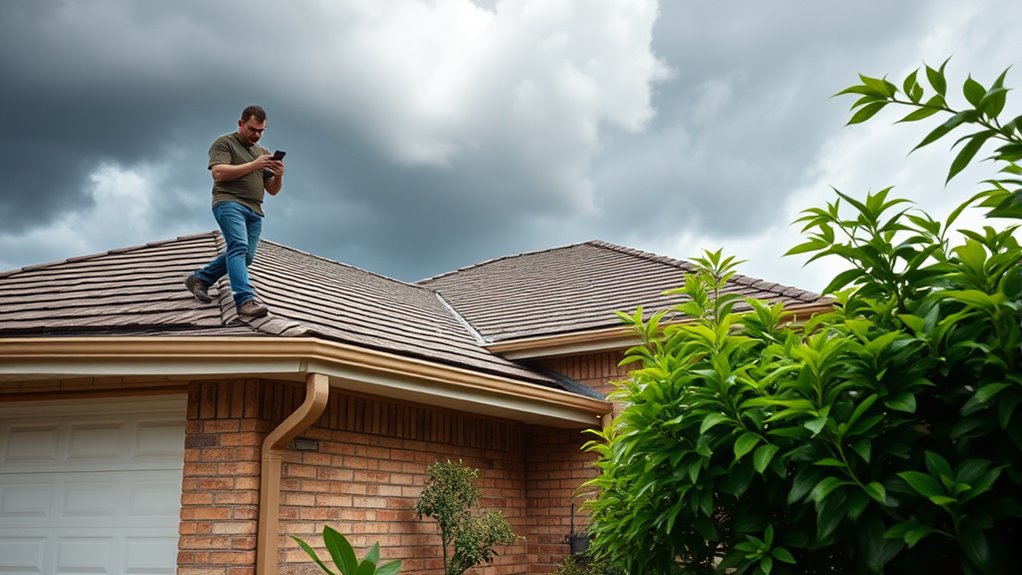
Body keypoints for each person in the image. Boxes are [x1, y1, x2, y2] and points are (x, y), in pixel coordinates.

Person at [183, 105, 284, 319]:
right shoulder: (224, 143)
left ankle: (200, 278)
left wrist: (279, 175)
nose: (257, 135)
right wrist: (254, 164)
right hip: (229, 203)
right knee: (238, 246)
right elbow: (219, 173)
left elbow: (273, 190)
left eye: (261, 131)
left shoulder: (263, 153)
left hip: (255, 210)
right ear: (241, 123)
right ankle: (244, 300)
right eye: (252, 129)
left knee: (246, 256)